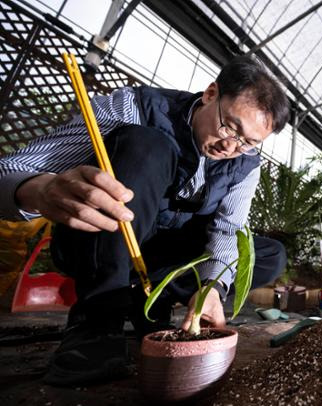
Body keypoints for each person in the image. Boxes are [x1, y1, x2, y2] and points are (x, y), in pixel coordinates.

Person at [0, 55, 290, 386]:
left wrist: (213, 287)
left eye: (248, 142)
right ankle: (97, 320)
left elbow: (227, 228)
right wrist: (39, 190)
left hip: (159, 259)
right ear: (211, 93)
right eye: (230, 126)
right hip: (99, 239)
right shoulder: (133, 107)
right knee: (148, 145)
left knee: (265, 255)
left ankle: (151, 303)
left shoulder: (245, 162)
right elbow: (9, 171)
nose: (230, 146)